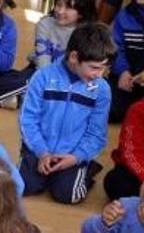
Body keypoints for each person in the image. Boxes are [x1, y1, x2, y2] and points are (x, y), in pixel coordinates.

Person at [19, 23, 115, 204]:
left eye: (104, 68)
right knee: (22, 185)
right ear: (73, 57)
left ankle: (87, 167)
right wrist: (42, 153)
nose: (100, 74)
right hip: (39, 148)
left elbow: (97, 133)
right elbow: (28, 120)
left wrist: (76, 157)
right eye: (95, 67)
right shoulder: (42, 77)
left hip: (73, 153)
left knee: (68, 195)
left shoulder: (101, 89)